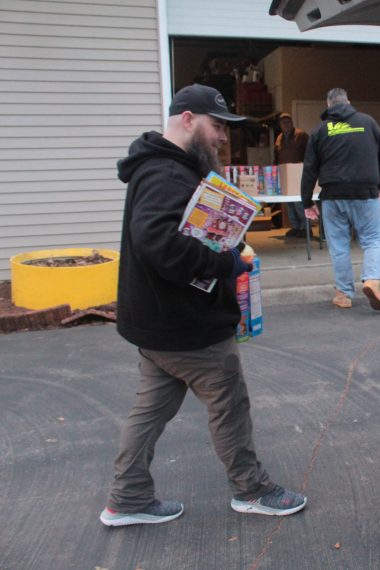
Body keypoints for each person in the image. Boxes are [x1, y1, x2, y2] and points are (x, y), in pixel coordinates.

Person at [100, 84, 306, 527]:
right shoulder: (165, 174)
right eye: (216, 126)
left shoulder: (161, 167)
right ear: (189, 119)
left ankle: (127, 498)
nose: (222, 138)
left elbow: (171, 234)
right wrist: (225, 261)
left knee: (150, 410)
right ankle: (251, 490)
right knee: (230, 406)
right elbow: (159, 243)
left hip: (158, 326)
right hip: (187, 327)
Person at [301, 88, 380, 311]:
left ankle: (343, 294)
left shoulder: (321, 130)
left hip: (333, 197)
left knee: (339, 246)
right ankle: (371, 279)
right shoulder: (368, 123)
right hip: (365, 194)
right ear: (348, 102)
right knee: (373, 239)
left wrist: (306, 202)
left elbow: (310, 169)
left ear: (328, 104)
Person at [275, 112, 310, 238]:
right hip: (284, 175)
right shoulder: (279, 138)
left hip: (298, 174)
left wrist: (309, 168)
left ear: (292, 122)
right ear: (280, 124)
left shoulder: (301, 135)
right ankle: (295, 227)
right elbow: (277, 156)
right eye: (283, 122)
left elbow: (310, 152)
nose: (286, 124)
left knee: (298, 202)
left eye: (288, 121)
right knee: (288, 203)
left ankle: (306, 228)